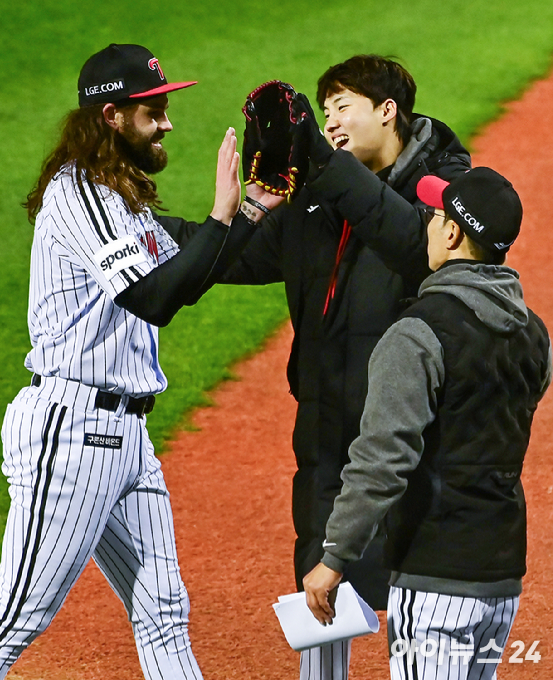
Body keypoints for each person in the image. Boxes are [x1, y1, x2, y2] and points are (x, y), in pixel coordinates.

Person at [0, 43, 274, 680]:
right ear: (111, 115)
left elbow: (197, 262)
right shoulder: (78, 193)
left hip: (125, 438)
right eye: (153, 111)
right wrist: (225, 211)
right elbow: (156, 297)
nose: (166, 122)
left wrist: (255, 209)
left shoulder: (121, 197)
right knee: (18, 615)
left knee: (163, 611)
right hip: (71, 431)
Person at [222, 55, 471, 679]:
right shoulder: (319, 194)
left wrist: (327, 168)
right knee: (320, 592)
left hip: (407, 434)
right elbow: (244, 258)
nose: (329, 119)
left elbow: (414, 244)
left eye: (343, 106)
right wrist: (144, 226)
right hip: (326, 423)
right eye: (323, 109)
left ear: (387, 111)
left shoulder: (446, 185)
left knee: (417, 601)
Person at [303, 167, 551, 679]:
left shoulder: (417, 332)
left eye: (437, 216)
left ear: (455, 233)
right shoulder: (534, 335)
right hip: (502, 579)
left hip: (436, 576)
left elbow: (381, 459)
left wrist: (334, 557)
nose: (429, 224)